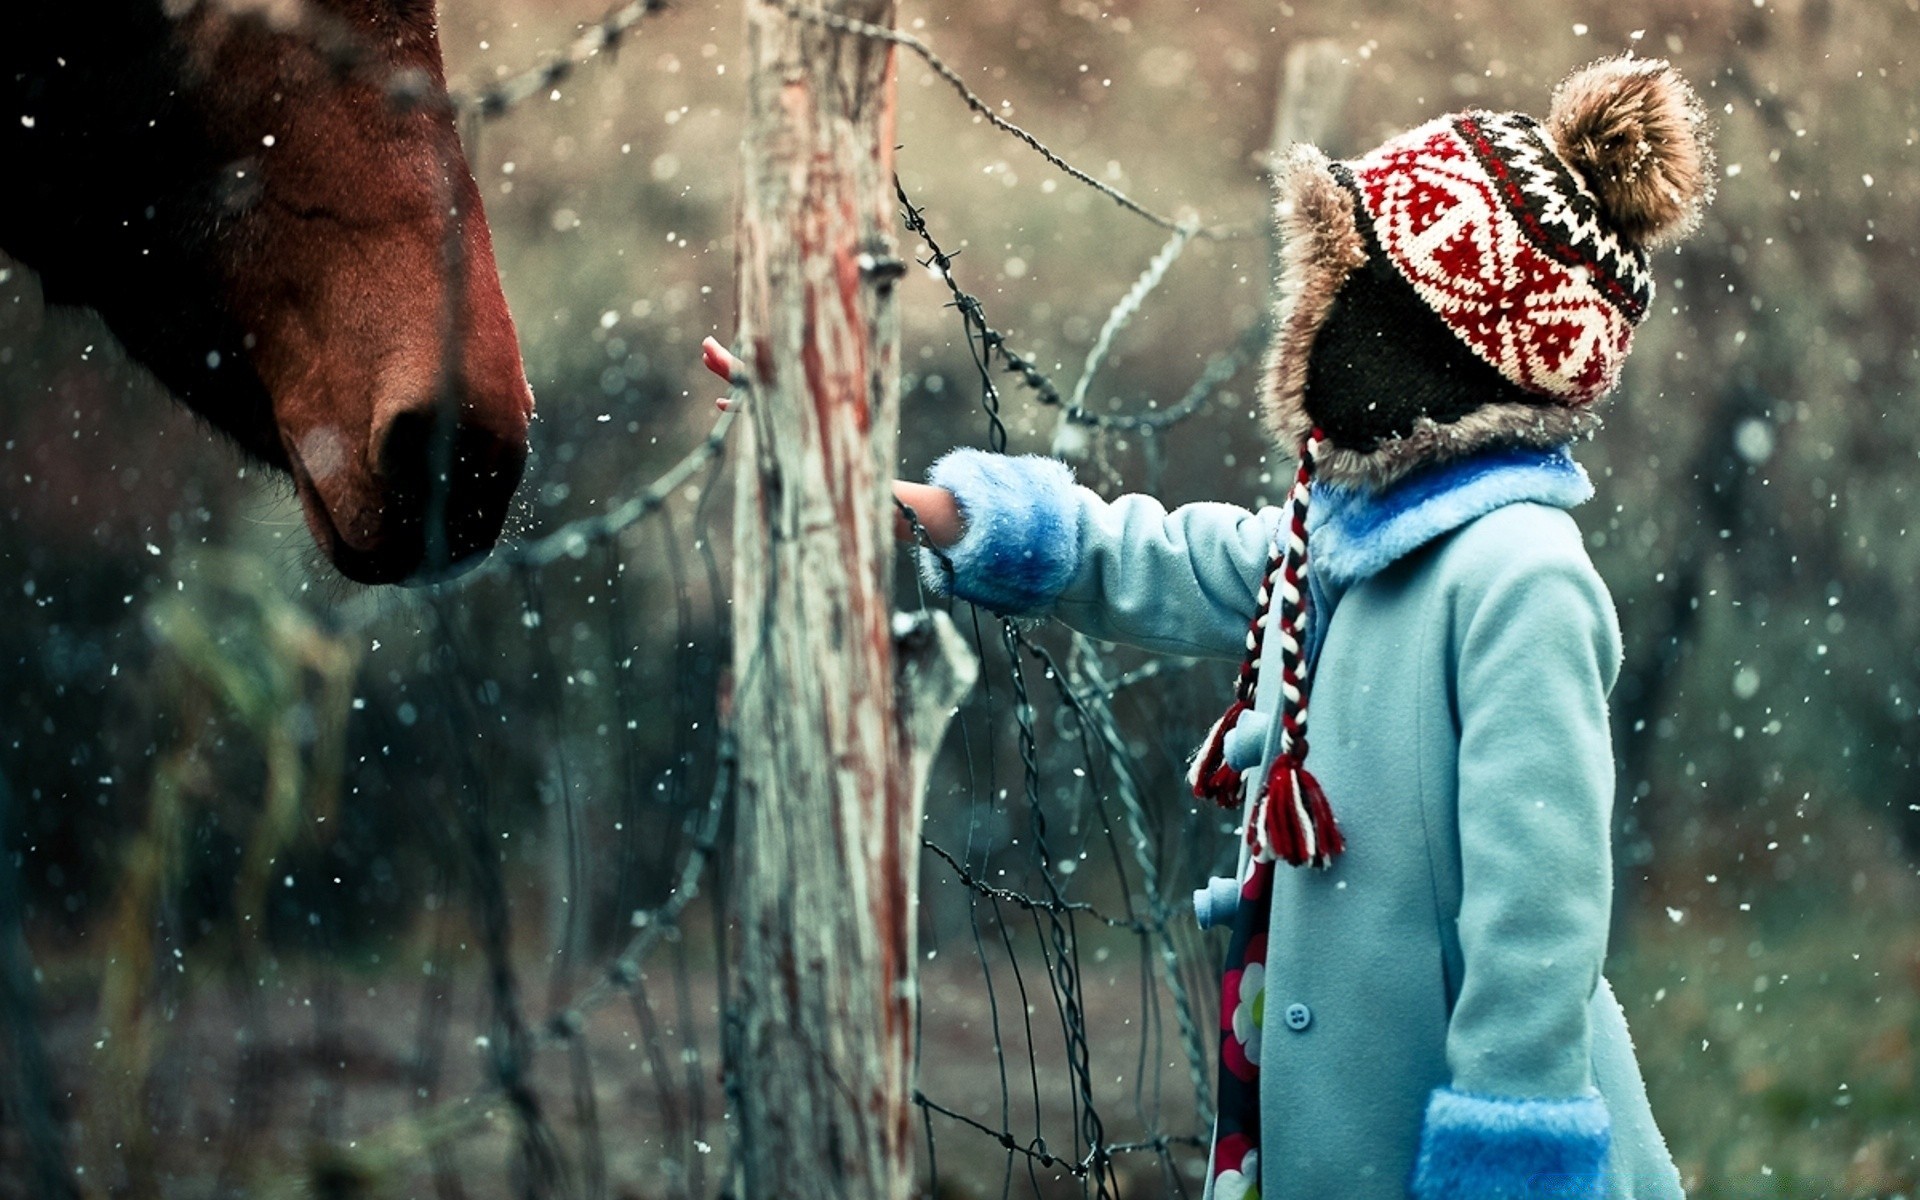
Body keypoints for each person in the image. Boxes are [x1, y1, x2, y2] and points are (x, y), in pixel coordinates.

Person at [707, 54, 1711, 1200]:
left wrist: (1506, 1164)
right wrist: (892, 496)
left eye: (1353, 287)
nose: (1321, 319)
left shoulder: (1518, 578)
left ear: (1436, 337)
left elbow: (1541, 926)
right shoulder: (1337, 546)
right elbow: (1144, 555)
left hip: (1449, 1162)